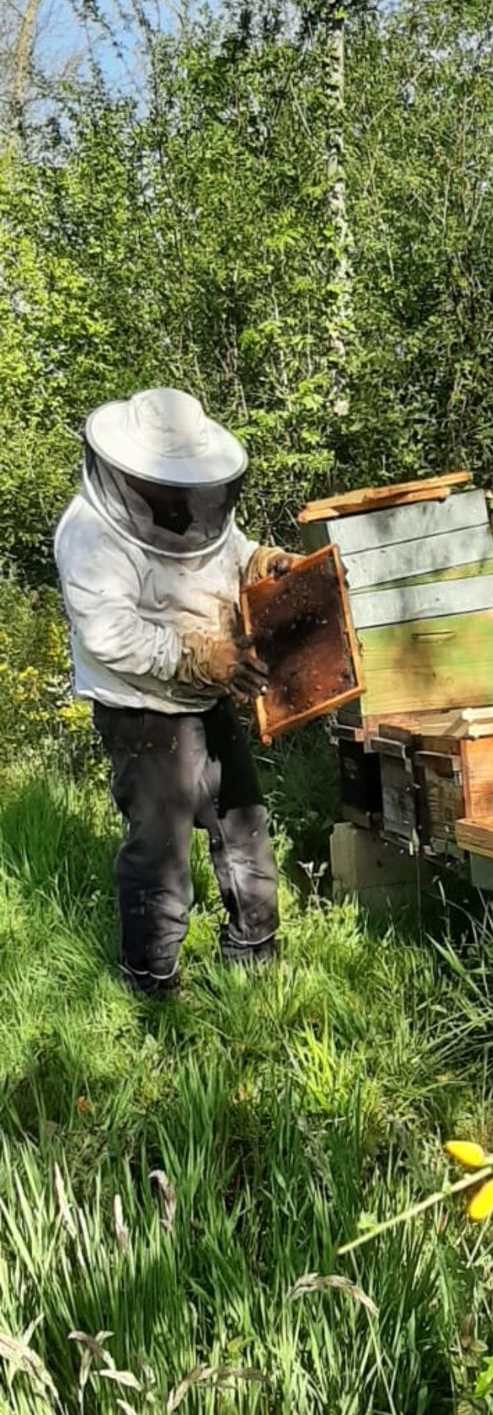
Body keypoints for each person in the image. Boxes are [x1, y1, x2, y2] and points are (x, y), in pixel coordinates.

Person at [54, 387, 302, 997]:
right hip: (141, 711)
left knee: (244, 825)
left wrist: (262, 563)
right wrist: (199, 653)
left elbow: (227, 550)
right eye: (166, 488)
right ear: (132, 476)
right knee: (160, 853)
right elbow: (109, 634)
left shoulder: (199, 499)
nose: (179, 501)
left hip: (211, 693)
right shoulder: (89, 533)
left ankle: (254, 960)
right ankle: (153, 985)